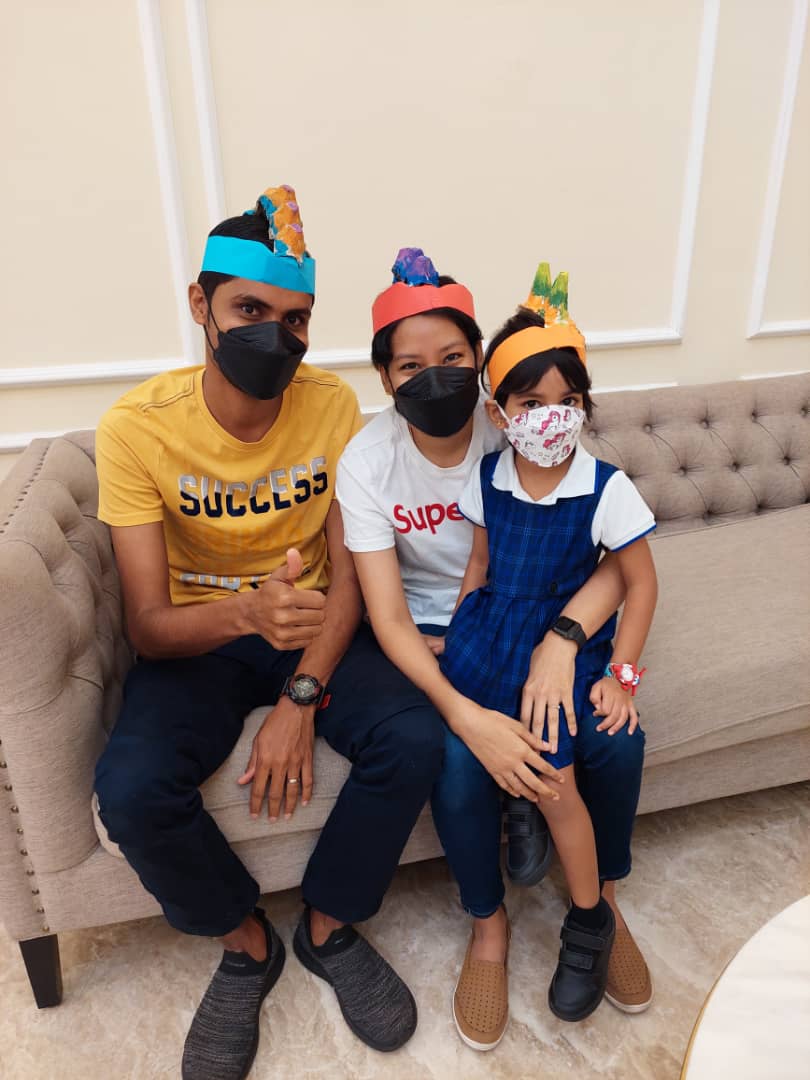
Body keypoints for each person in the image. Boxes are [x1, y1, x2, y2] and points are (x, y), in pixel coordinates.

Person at [93, 189, 446, 1080]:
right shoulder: (135, 429)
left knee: (415, 736)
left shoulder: (331, 407)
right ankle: (246, 944)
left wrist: (302, 694)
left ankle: (329, 926)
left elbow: (354, 575)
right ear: (201, 304)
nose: (274, 337)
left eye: (295, 320)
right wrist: (246, 613)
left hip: (316, 625)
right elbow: (148, 627)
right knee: (131, 791)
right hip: (201, 638)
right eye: (250, 310)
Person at [336, 251, 652, 1051]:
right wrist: (463, 708)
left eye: (452, 357)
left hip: (552, 617)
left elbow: (616, 559)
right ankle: (488, 925)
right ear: (384, 376)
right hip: (445, 637)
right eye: (410, 365)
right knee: (453, 755)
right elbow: (391, 616)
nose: (434, 378)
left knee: (613, 739)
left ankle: (600, 904)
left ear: (478, 362)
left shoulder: (524, 417)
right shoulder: (371, 463)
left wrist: (565, 640)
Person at [440, 264, 658, 1026]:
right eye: (531, 403)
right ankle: (517, 815)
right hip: (492, 638)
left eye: (567, 401)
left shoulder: (605, 487)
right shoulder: (488, 476)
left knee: (556, 778)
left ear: (585, 405)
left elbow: (640, 584)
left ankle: (590, 918)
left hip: (559, 644)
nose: (550, 417)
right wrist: (455, 634)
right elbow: (478, 566)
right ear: (499, 412)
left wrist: (623, 676)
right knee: (478, 748)